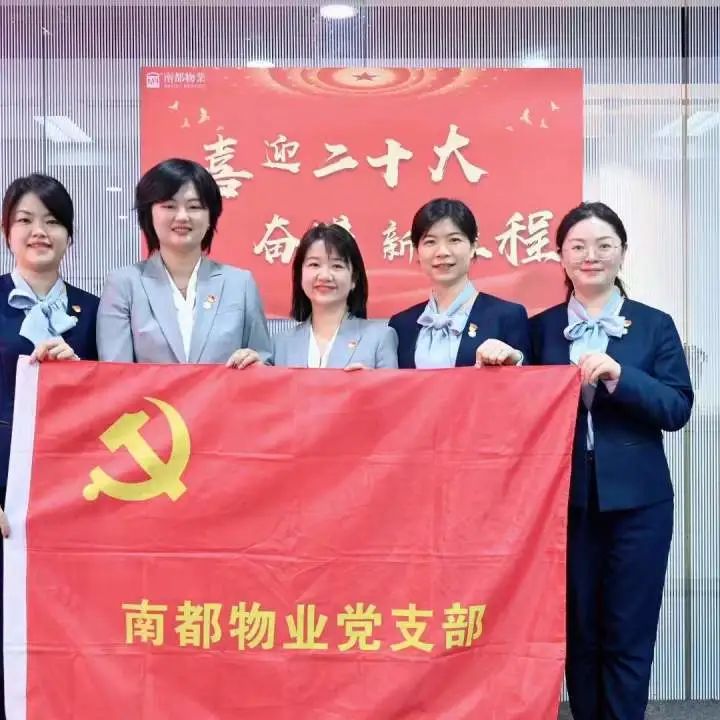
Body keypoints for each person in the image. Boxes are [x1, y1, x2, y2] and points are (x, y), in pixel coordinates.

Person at [530, 201, 693, 720]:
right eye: (578, 246)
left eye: (604, 245)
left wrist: (622, 377)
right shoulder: (539, 329)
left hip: (639, 506)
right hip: (564, 505)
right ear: (560, 256)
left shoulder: (654, 325)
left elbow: (676, 408)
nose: (591, 256)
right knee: (578, 633)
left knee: (629, 632)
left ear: (623, 252)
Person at [0, 173, 98, 719]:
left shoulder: (96, 309)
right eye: (26, 221)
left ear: (70, 236)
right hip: (4, 489)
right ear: (7, 233)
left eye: (53, 221)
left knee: (69, 616)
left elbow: (118, 400)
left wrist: (79, 373)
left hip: (77, 491)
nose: (40, 232)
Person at [97, 158, 271, 367]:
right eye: (169, 206)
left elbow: (264, 362)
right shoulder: (124, 284)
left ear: (210, 217)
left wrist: (257, 365)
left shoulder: (240, 284)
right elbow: (115, 373)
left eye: (194, 206)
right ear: (149, 214)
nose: (182, 216)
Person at [388, 198, 530, 369]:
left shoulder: (507, 315)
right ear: (417, 251)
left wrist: (514, 359)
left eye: (454, 240)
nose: (442, 252)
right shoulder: (401, 325)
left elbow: (531, 378)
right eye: (430, 242)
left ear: (473, 247)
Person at [272, 223, 397, 369]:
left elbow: (392, 385)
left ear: (354, 279)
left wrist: (370, 382)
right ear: (300, 274)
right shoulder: (279, 344)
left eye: (337, 266)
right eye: (314, 265)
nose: (324, 276)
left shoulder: (380, 337)